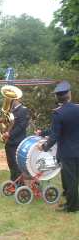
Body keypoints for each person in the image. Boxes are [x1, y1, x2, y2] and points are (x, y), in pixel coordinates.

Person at [40, 81, 79, 213]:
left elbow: (55, 135)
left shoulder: (59, 113)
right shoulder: (77, 109)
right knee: (74, 179)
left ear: (58, 98)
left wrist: (44, 147)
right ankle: (71, 203)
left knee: (71, 180)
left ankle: (72, 207)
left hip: (67, 153)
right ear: (69, 94)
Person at [0, 98, 30, 181]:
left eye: (11, 99)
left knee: (16, 164)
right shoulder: (10, 110)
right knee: (11, 163)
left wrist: (9, 134)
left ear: (17, 99)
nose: (9, 101)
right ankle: (13, 181)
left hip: (17, 141)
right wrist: (0, 121)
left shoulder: (23, 110)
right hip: (9, 142)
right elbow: (6, 123)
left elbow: (22, 126)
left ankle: (19, 184)